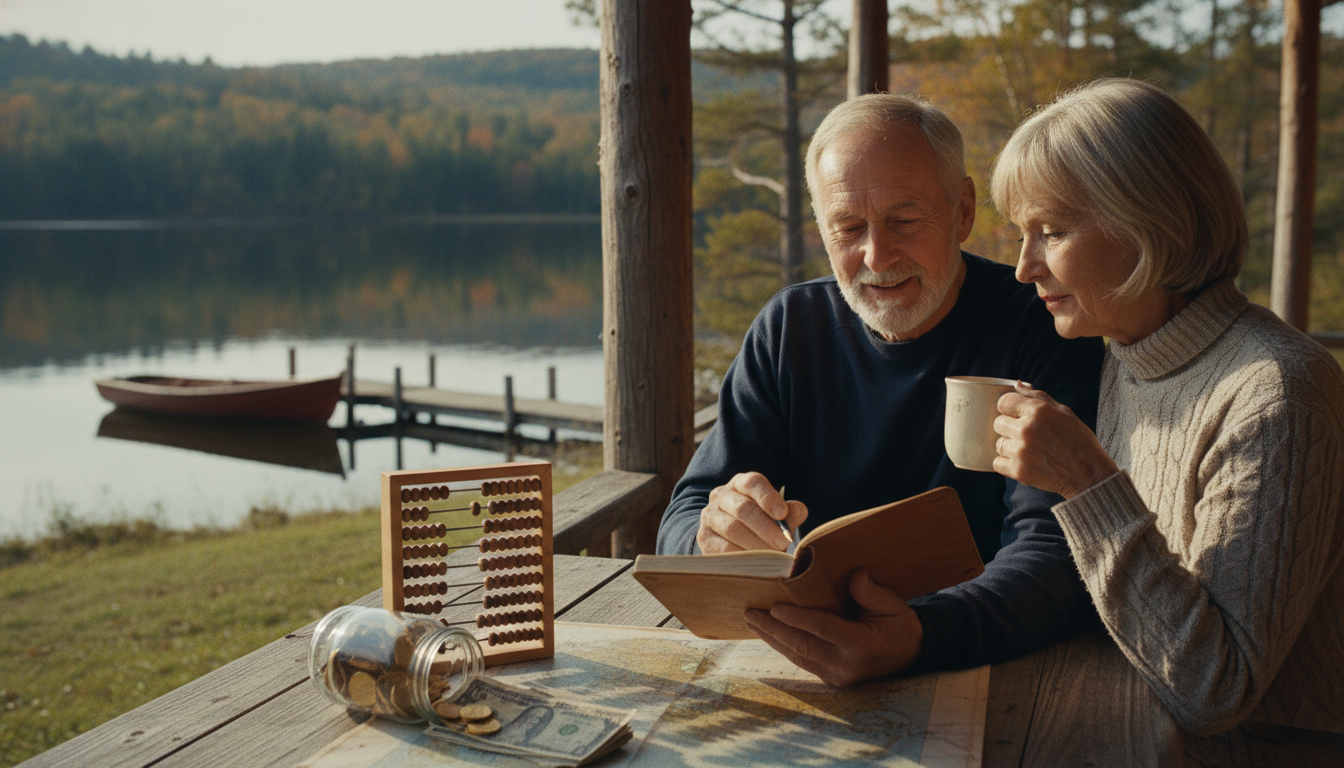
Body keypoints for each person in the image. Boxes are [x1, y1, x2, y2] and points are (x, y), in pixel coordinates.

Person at [657, 94, 1106, 687]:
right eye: (848, 227)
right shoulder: (790, 328)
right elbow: (684, 513)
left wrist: (920, 636)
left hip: (997, 667)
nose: (876, 254)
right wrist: (713, 535)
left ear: (962, 211)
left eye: (904, 221)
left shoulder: (1043, 324)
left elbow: (1058, 549)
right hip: (813, 660)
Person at [989, 78, 1344, 735]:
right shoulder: (1126, 356)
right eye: (1021, 235)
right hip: (1136, 728)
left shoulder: (1276, 391)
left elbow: (1217, 690)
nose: (1024, 267)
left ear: (1148, 222)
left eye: (1051, 232)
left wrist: (1086, 483)